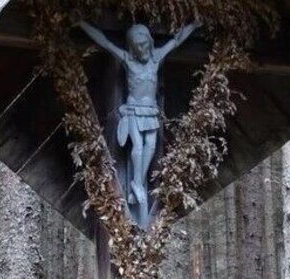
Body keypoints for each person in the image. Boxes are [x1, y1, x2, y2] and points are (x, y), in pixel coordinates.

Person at [78, 21, 201, 228]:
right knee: (137, 146)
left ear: (150, 44)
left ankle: (137, 182)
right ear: (132, 48)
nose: (142, 50)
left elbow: (177, 40)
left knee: (151, 147)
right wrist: (82, 24)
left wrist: (194, 25)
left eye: (144, 45)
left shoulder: (156, 58)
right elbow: (105, 42)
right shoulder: (127, 60)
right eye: (137, 47)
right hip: (133, 110)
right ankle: (137, 185)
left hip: (150, 111)